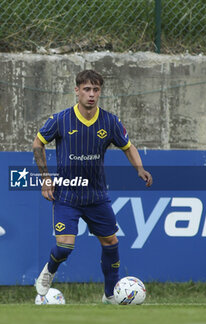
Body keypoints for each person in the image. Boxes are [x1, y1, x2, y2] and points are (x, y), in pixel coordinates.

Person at [33, 69, 152, 304]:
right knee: (65, 247)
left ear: (100, 93)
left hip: (97, 195)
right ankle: (49, 270)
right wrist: (45, 177)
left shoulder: (109, 121)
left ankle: (110, 295)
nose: (91, 94)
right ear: (77, 91)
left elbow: (128, 146)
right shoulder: (60, 119)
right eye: (86, 89)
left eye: (96, 90)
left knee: (111, 242)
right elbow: (38, 143)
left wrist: (139, 168)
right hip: (67, 193)